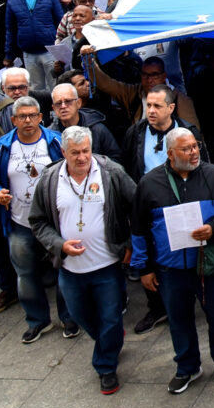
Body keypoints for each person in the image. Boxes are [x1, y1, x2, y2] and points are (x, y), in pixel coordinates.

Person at [131, 127, 214, 393]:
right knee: (179, 319)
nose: (194, 152)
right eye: (186, 148)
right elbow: (138, 228)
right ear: (170, 153)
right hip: (171, 269)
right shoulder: (149, 184)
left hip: (210, 265)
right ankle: (187, 367)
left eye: (195, 146)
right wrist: (144, 268)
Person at [27, 126, 134, 394]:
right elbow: (37, 221)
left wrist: (131, 245)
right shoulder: (50, 178)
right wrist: (59, 244)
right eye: (75, 153)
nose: (82, 157)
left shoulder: (111, 173)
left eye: (86, 151)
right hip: (70, 269)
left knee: (110, 317)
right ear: (63, 152)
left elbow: (138, 207)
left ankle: (106, 366)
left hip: (107, 265)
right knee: (78, 315)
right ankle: (109, 340)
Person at [0, 97, 74, 343]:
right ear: (13, 120)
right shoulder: (1, 146)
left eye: (32, 115)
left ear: (41, 117)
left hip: (54, 221)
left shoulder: (56, 141)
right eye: (22, 116)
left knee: (64, 270)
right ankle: (38, 321)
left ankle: (69, 318)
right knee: (25, 275)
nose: (28, 121)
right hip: (20, 222)